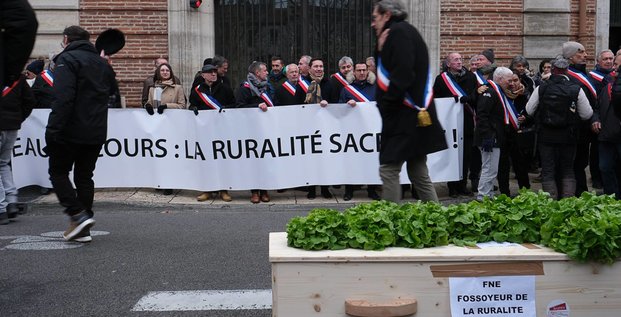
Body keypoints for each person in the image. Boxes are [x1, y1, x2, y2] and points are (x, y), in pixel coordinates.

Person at [45, 25, 118, 241]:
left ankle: (77, 215)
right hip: (95, 131)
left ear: (66, 39)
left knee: (58, 172)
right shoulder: (101, 63)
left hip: (70, 130)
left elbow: (62, 99)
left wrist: (52, 131)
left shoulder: (66, 60)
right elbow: (113, 93)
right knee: (84, 177)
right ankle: (83, 228)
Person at [372, 0, 447, 203]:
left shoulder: (397, 33)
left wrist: (387, 103)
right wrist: (379, 50)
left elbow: (403, 73)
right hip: (414, 117)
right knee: (418, 171)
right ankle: (436, 221)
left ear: (387, 15)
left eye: (375, 17)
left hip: (403, 117)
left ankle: (389, 223)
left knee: (388, 169)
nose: (373, 23)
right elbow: (391, 66)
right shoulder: (405, 31)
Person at [525, 56, 593, 199]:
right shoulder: (576, 89)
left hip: (546, 136)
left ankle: (551, 202)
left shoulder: (541, 88)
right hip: (568, 136)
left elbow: (529, 110)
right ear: (567, 70)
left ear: (553, 70)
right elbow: (587, 114)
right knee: (568, 169)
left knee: (548, 169)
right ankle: (567, 202)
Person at [432, 52, 478, 197]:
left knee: (466, 156)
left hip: (467, 121)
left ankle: (463, 185)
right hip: (450, 123)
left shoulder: (471, 77)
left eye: (460, 59)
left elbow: (476, 95)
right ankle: (452, 187)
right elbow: (435, 98)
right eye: (455, 60)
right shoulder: (441, 79)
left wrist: (468, 98)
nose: (459, 62)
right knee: (452, 156)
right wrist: (449, 100)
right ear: (448, 64)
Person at [189, 64, 236, 202]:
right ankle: (207, 190)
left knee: (222, 159)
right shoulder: (197, 91)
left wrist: (225, 110)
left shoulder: (225, 89)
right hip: (205, 131)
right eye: (210, 72)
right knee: (207, 160)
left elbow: (234, 105)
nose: (213, 74)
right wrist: (194, 108)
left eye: (215, 72)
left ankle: (224, 190)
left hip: (222, 129)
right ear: (203, 75)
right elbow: (191, 104)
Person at [338, 61, 380, 201]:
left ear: (368, 72)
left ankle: (372, 190)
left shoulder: (375, 88)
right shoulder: (346, 90)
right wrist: (346, 105)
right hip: (353, 132)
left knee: (371, 161)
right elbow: (339, 109)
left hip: (371, 131)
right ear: (353, 72)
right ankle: (349, 190)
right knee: (351, 162)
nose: (362, 73)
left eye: (364, 70)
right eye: (359, 70)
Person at [235, 61, 275, 203]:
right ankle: (254, 192)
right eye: (264, 70)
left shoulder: (268, 88)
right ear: (257, 73)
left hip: (266, 129)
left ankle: (265, 190)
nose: (267, 72)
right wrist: (256, 105)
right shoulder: (244, 88)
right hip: (250, 130)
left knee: (265, 160)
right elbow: (239, 107)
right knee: (253, 161)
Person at [474, 67, 514, 200]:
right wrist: (487, 136)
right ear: (500, 78)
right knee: (489, 169)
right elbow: (482, 115)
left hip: (493, 136)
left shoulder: (497, 91)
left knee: (492, 168)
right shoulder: (489, 92)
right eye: (509, 80)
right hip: (489, 137)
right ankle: (483, 196)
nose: (511, 83)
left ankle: (488, 195)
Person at [563, 41, 598, 195]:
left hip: (584, 127)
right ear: (570, 57)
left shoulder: (584, 74)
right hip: (575, 128)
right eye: (581, 53)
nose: (585, 55)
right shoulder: (569, 77)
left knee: (581, 163)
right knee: (575, 164)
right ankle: (577, 193)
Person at [0, 75, 34, 224]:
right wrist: (18, 118)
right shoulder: (17, 78)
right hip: (12, 126)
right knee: (3, 163)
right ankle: (12, 201)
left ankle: (1, 208)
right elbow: (30, 101)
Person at [497, 73, 532, 196]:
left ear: (520, 80)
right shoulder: (500, 94)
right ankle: (504, 193)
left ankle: (525, 191)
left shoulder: (525, 94)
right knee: (503, 165)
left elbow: (533, 112)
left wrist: (526, 118)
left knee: (521, 164)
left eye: (515, 80)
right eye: (509, 81)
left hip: (520, 134)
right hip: (503, 133)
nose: (512, 84)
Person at [304, 57, 333, 199]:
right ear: (309, 69)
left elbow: (336, 103)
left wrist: (329, 104)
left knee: (324, 159)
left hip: (326, 127)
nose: (319, 69)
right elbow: (297, 105)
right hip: (308, 128)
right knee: (311, 159)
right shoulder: (302, 84)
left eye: (321, 66)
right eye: (315, 66)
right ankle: (311, 189)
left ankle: (325, 188)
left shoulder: (330, 84)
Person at [594, 54, 621, 198]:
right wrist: (595, 119)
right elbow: (597, 107)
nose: (613, 68)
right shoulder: (607, 85)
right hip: (606, 136)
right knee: (604, 167)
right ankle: (611, 196)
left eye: (616, 65)